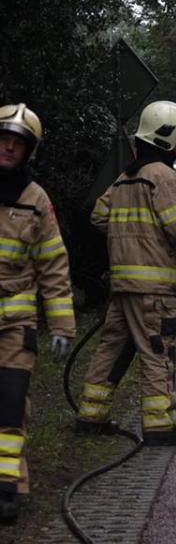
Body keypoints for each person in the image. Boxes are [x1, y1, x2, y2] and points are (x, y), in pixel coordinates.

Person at [77, 101, 176, 447]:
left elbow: (99, 217)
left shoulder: (124, 179)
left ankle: (92, 415)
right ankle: (160, 425)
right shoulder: (162, 176)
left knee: (111, 347)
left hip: (123, 286)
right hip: (154, 289)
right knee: (157, 351)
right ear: (166, 139)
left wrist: (129, 237)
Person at [0, 104, 75, 523]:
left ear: (29, 151)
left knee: (9, 407)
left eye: (18, 142)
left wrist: (62, 325)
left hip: (15, 325)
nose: (8, 147)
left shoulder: (35, 201)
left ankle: (6, 488)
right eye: (3, 139)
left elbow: (53, 266)